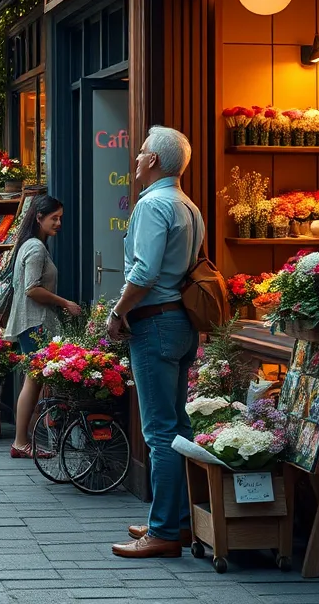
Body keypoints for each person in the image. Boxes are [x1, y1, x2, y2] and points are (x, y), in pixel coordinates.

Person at [108, 126, 203, 559]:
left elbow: (143, 273)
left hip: (155, 322)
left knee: (160, 433)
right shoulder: (188, 205)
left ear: (155, 162)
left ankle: (164, 531)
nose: (136, 158)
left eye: (142, 152)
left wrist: (117, 312)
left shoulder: (153, 204)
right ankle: (177, 521)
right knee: (178, 429)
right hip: (181, 322)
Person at [3, 195, 81, 458]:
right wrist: (65, 303)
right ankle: (21, 441)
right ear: (39, 217)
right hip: (35, 323)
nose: (59, 223)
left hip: (30, 322)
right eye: (54, 218)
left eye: (60, 218)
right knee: (33, 381)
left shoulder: (29, 245)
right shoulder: (36, 248)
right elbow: (32, 289)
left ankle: (24, 440)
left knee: (34, 381)